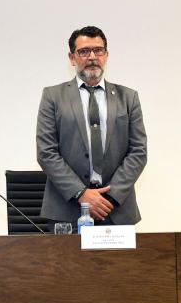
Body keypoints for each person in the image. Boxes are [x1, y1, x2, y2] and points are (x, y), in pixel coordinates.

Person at [36, 26, 148, 229]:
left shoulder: (128, 98)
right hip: (67, 210)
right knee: (68, 263)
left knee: (119, 263)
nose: (92, 57)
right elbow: (46, 152)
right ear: (72, 57)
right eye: (84, 51)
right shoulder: (53, 97)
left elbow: (138, 152)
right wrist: (82, 194)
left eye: (98, 50)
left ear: (106, 55)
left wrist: (109, 197)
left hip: (116, 210)